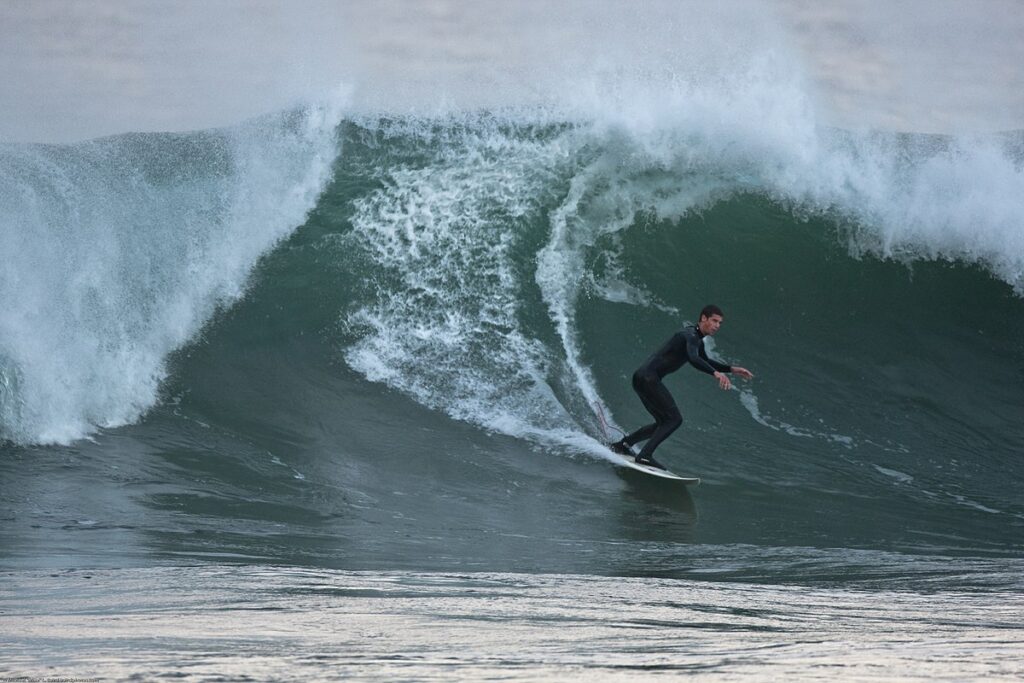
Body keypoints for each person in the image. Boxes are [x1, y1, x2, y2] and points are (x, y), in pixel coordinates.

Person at [609, 304, 753, 469]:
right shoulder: (690, 335)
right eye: (714, 321)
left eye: (720, 323)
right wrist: (716, 374)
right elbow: (693, 359)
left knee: (663, 422)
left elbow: (704, 360)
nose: (717, 326)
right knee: (674, 420)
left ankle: (624, 445)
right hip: (649, 379)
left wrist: (732, 369)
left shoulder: (696, 339)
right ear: (703, 318)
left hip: (641, 378)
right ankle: (645, 456)